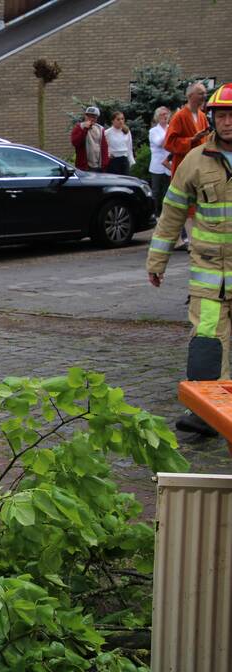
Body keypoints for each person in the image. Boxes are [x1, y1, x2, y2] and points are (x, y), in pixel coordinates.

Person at [146, 83, 232, 437]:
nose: (228, 122)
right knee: (208, 341)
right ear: (212, 118)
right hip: (211, 274)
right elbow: (172, 214)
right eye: (223, 115)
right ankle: (205, 412)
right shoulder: (195, 161)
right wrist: (157, 260)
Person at [165, 81, 210, 176]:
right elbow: (169, 143)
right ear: (190, 95)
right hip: (183, 166)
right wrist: (192, 140)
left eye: (205, 93)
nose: (204, 96)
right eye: (201, 93)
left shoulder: (202, 116)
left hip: (200, 166)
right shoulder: (179, 116)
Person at [148, 106, 172, 216]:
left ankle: (166, 213)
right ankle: (154, 213)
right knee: (156, 191)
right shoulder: (153, 131)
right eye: (162, 114)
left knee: (167, 191)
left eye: (166, 114)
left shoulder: (171, 127)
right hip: (157, 165)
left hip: (168, 165)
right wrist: (169, 132)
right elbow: (159, 142)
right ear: (157, 117)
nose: (164, 116)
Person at [71, 105, 108, 172]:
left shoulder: (100, 129)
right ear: (85, 116)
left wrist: (104, 164)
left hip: (98, 166)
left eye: (93, 117)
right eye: (89, 116)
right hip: (85, 167)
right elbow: (75, 142)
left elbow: (104, 148)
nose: (91, 119)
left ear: (97, 118)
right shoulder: (79, 127)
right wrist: (85, 129)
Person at [104, 111, 134, 175]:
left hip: (124, 160)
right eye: (118, 119)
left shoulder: (127, 131)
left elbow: (129, 147)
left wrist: (131, 161)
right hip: (113, 161)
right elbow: (104, 146)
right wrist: (108, 154)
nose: (121, 121)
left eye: (122, 119)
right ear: (113, 121)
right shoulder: (107, 132)